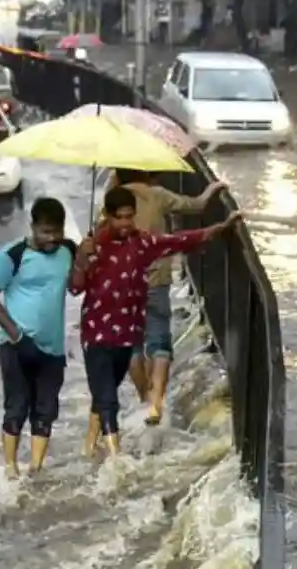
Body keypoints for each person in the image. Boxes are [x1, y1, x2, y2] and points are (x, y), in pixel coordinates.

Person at [71, 187, 241, 462]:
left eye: (130, 217)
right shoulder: (92, 247)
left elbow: (180, 240)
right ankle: (116, 461)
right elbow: (75, 287)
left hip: (127, 334)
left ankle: (89, 447)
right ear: (107, 215)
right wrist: (81, 260)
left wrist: (220, 228)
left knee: (105, 392)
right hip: (97, 334)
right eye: (120, 218)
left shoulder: (143, 243)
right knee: (107, 398)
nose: (126, 224)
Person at [111, 169, 229, 424]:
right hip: (157, 280)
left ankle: (144, 397)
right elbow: (195, 206)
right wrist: (213, 189)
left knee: (132, 345)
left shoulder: (114, 200)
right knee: (159, 342)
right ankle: (156, 404)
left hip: (123, 284)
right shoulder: (157, 195)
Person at [0, 197, 76, 478]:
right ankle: (10, 468)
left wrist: (85, 259)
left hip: (53, 348)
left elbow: (76, 287)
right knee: (16, 407)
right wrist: (16, 334)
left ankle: (35, 470)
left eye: (57, 231)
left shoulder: (67, 251)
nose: (52, 238)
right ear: (33, 226)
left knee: (46, 410)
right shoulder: (13, 255)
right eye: (46, 231)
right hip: (16, 346)